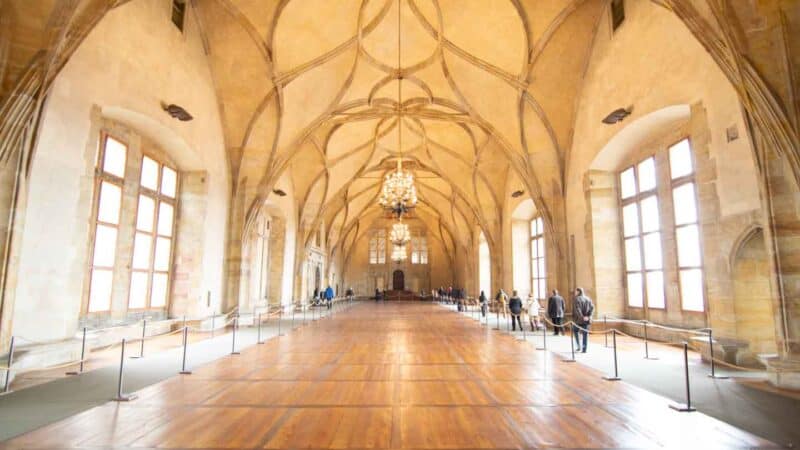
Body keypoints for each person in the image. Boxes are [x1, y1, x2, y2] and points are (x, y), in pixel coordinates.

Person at [572, 287, 594, 353]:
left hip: (578, 320)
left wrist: (582, 317)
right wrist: (589, 317)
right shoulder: (588, 299)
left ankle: (579, 346)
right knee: (585, 334)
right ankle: (584, 349)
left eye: (576, 291)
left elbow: (577, 310)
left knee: (575, 331)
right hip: (586, 320)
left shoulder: (577, 299)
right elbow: (592, 308)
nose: (575, 293)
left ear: (578, 292)